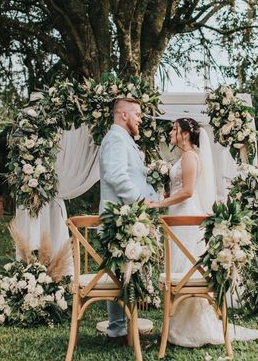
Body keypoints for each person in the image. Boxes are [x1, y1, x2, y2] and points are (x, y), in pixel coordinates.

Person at [146, 117, 258, 347]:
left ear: (185, 134)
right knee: (180, 267)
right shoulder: (183, 156)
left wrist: (158, 205)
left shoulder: (190, 157)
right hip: (177, 215)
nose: (171, 133)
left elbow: (187, 191)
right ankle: (177, 325)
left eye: (174, 129)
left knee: (186, 268)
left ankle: (190, 327)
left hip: (186, 215)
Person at [99, 97, 157, 343]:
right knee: (120, 275)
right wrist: (140, 202)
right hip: (118, 220)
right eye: (138, 114)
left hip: (128, 218)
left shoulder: (124, 140)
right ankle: (118, 331)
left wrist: (154, 197)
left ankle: (122, 329)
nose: (141, 119)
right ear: (124, 115)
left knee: (126, 275)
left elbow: (135, 178)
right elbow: (116, 176)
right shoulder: (115, 139)